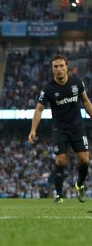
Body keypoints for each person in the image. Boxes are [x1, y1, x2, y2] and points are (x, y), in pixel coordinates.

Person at [28, 55, 92, 204]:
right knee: (61, 160)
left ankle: (79, 185)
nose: (59, 69)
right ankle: (58, 194)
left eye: (61, 66)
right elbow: (39, 109)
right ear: (52, 69)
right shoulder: (48, 89)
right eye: (55, 67)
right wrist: (33, 130)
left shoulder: (77, 83)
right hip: (60, 129)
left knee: (84, 160)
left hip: (77, 127)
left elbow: (86, 102)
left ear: (66, 67)